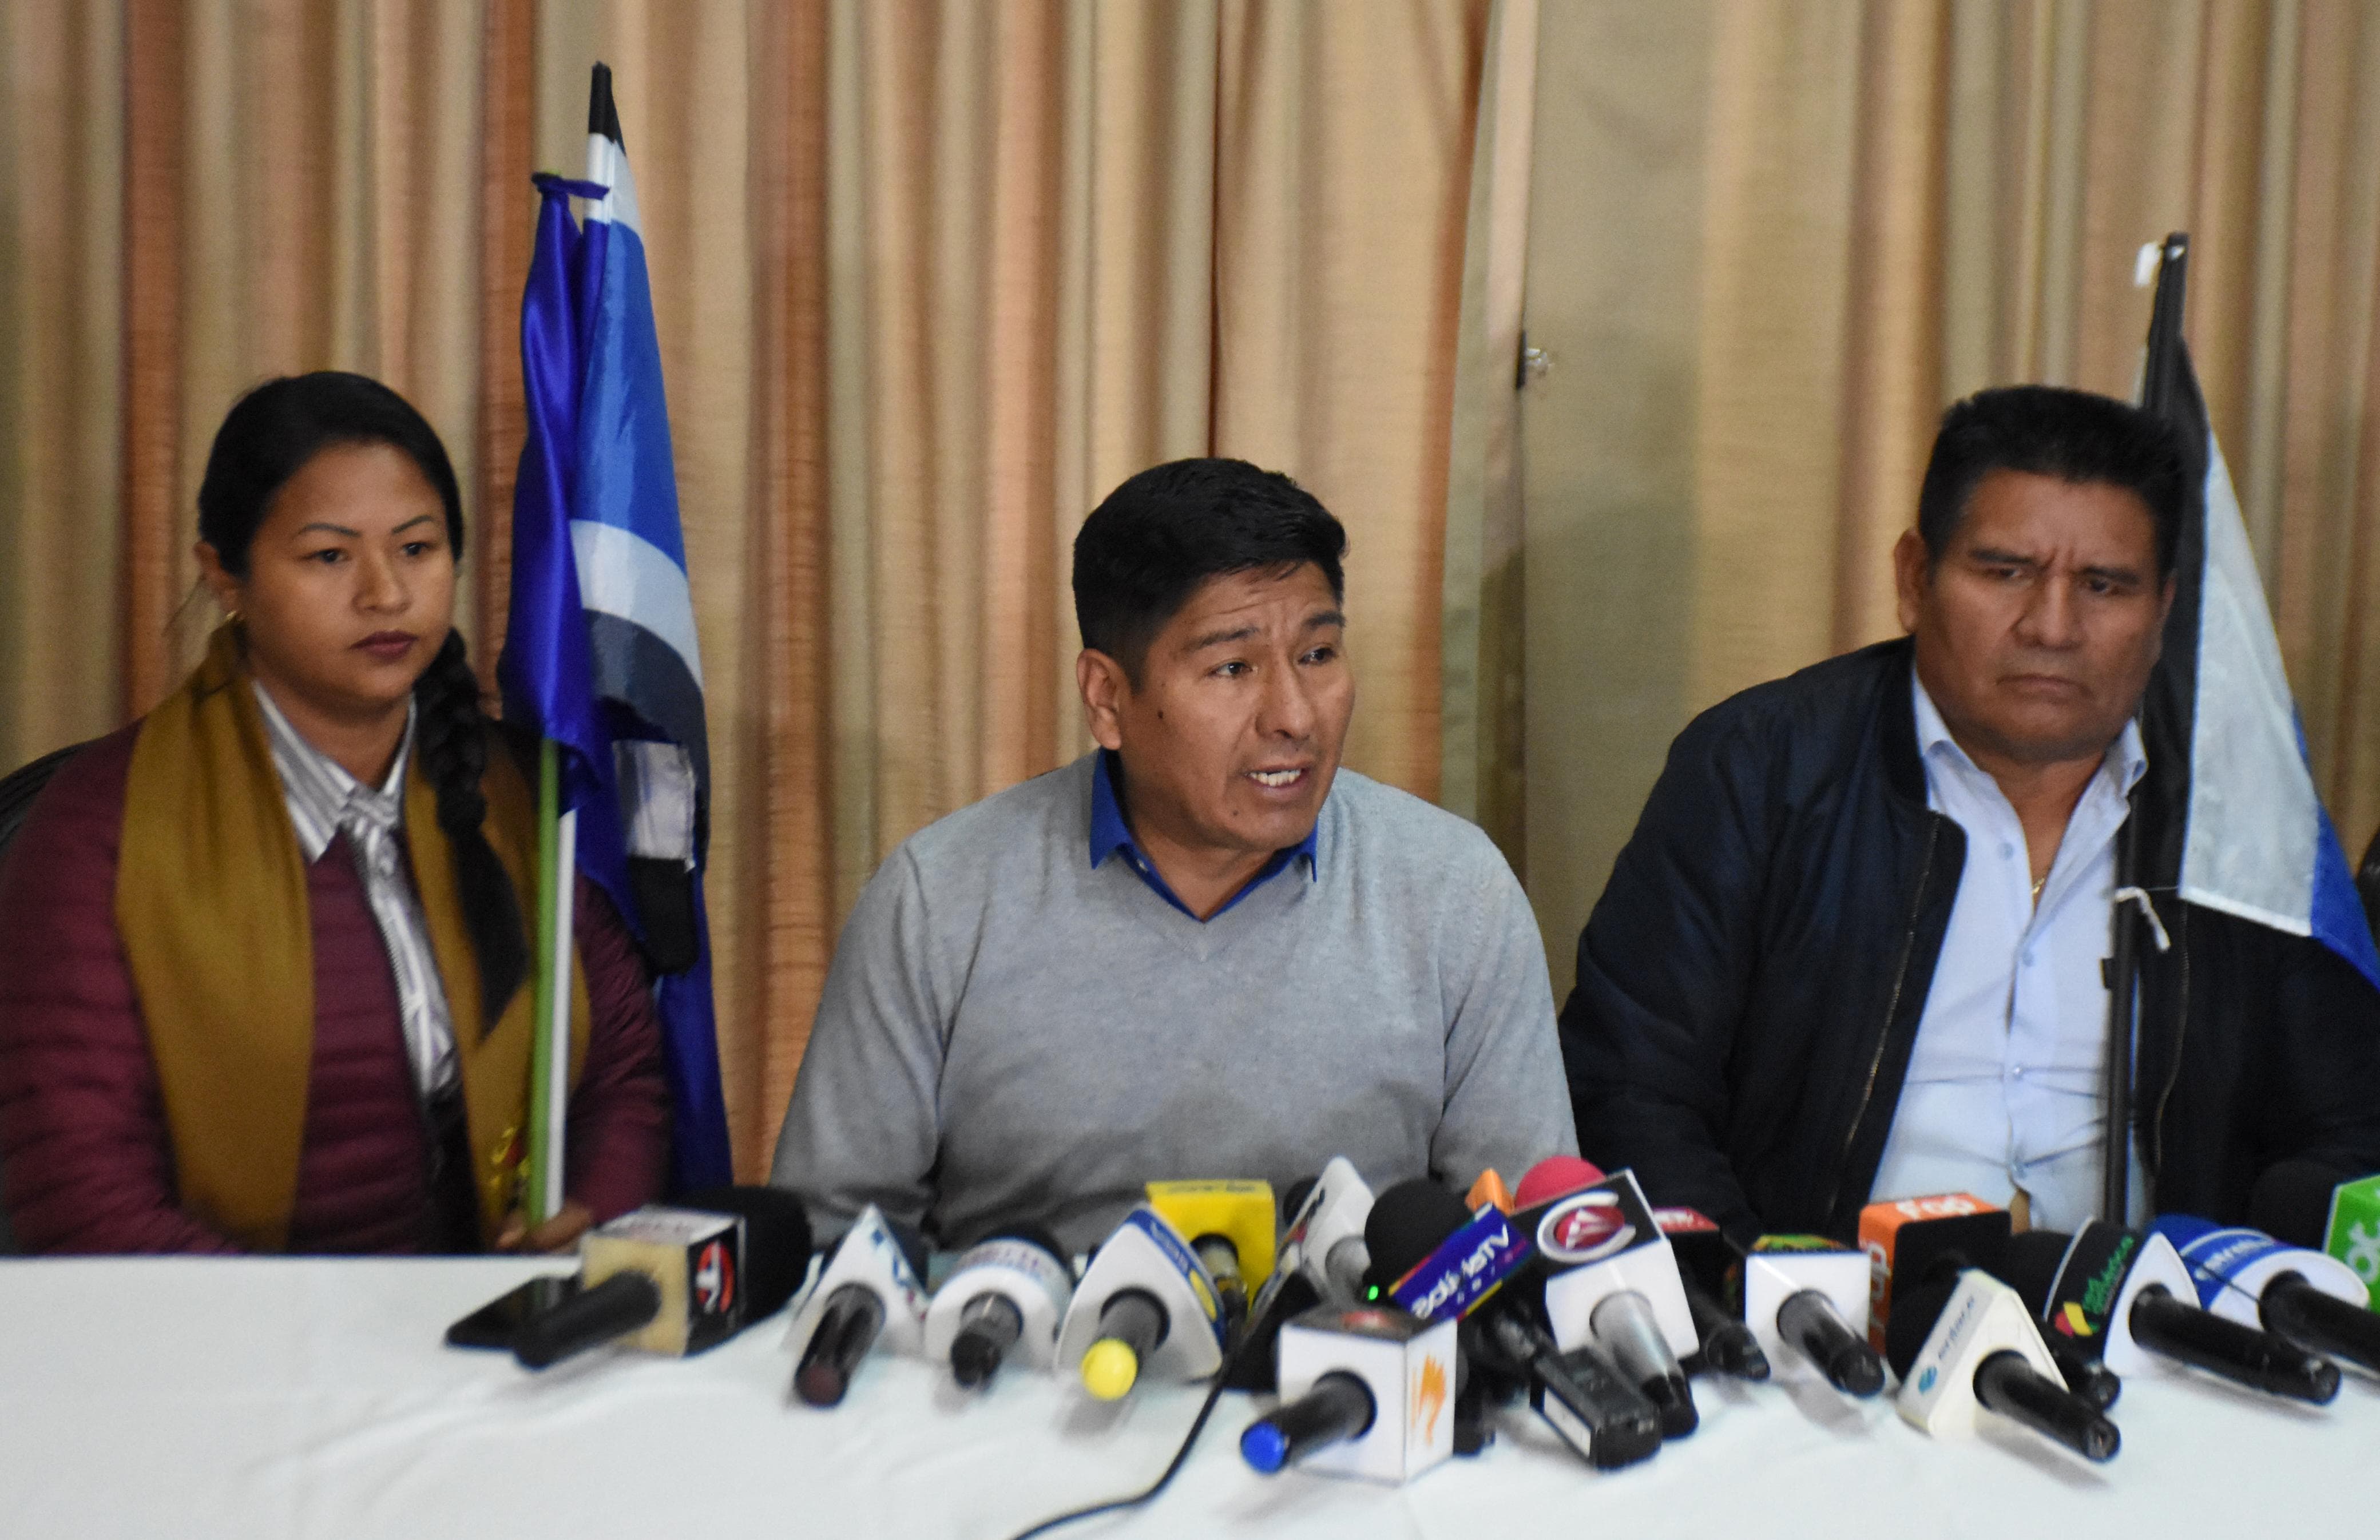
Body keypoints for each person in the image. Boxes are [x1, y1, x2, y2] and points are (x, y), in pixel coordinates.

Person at [1561, 385, 2380, 1241]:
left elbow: (2352, 1130)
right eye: (2006, 573)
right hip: (1820, 1304)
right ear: (1915, 580)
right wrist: (1760, 1290)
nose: (2053, 627)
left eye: (2104, 585)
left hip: (2148, 1310)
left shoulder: (2238, 813)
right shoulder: (1761, 769)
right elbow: (1629, 1088)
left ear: (2164, 611)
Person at [772, 458, 1575, 1253]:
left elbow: (1530, 1235)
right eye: (1232, 668)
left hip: (1354, 1332)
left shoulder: (1454, 892)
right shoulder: (939, 902)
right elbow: (832, 1243)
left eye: (1318, 655)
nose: (1295, 717)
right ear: (1107, 699)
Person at [0, 372, 669, 1255]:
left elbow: (622, 1075)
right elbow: (78, 1192)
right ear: (224, 574)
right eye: (329, 557)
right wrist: (325, 1330)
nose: (385, 594)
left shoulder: (508, 791)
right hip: (218, 1330)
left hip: (492, 1317)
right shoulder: (97, 832)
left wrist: (584, 1211)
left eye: (417, 548)